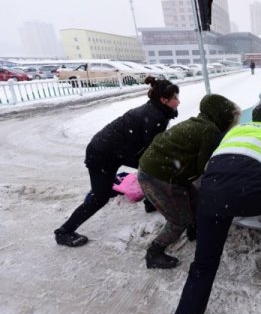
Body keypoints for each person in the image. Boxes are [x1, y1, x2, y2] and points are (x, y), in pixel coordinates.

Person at [146, 102, 261, 314]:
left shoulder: (230, 133)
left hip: (210, 197)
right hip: (248, 195)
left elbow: (213, 165)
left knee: (203, 267)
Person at [53, 77, 180, 247]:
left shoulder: (158, 111)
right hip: (101, 154)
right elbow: (151, 152)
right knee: (100, 197)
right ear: (163, 100)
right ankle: (64, 232)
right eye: (175, 98)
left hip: (117, 151)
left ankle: (150, 202)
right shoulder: (155, 116)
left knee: (153, 169)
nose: (179, 102)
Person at [138, 94, 241, 269]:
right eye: (231, 118)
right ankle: (154, 253)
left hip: (161, 170)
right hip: (157, 176)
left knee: (195, 200)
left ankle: (194, 230)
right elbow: (205, 168)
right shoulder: (209, 131)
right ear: (222, 116)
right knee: (178, 220)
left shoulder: (199, 123)